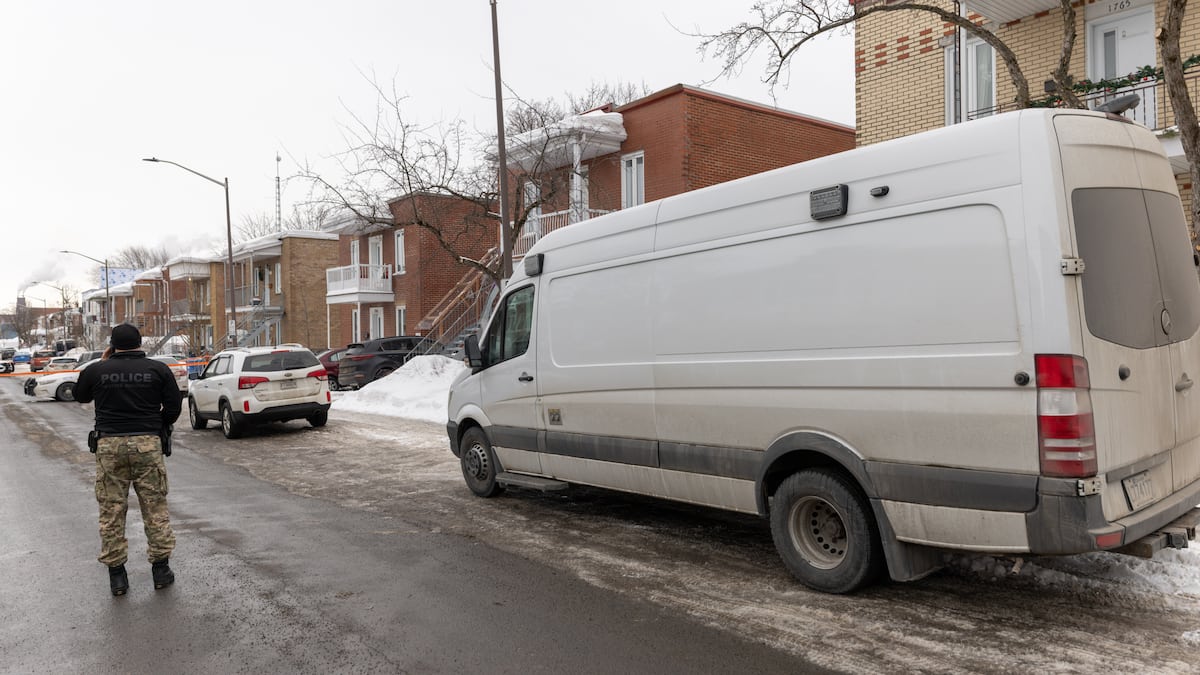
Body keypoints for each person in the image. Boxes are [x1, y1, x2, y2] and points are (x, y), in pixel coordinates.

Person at [74, 323, 182, 596]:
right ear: (140, 342)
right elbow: (173, 406)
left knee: (112, 510)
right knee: (154, 507)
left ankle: (117, 577)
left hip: (109, 444)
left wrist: (102, 363)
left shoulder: (97, 370)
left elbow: (80, 396)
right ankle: (160, 570)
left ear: (112, 344)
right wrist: (157, 425)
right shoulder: (158, 370)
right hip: (147, 443)